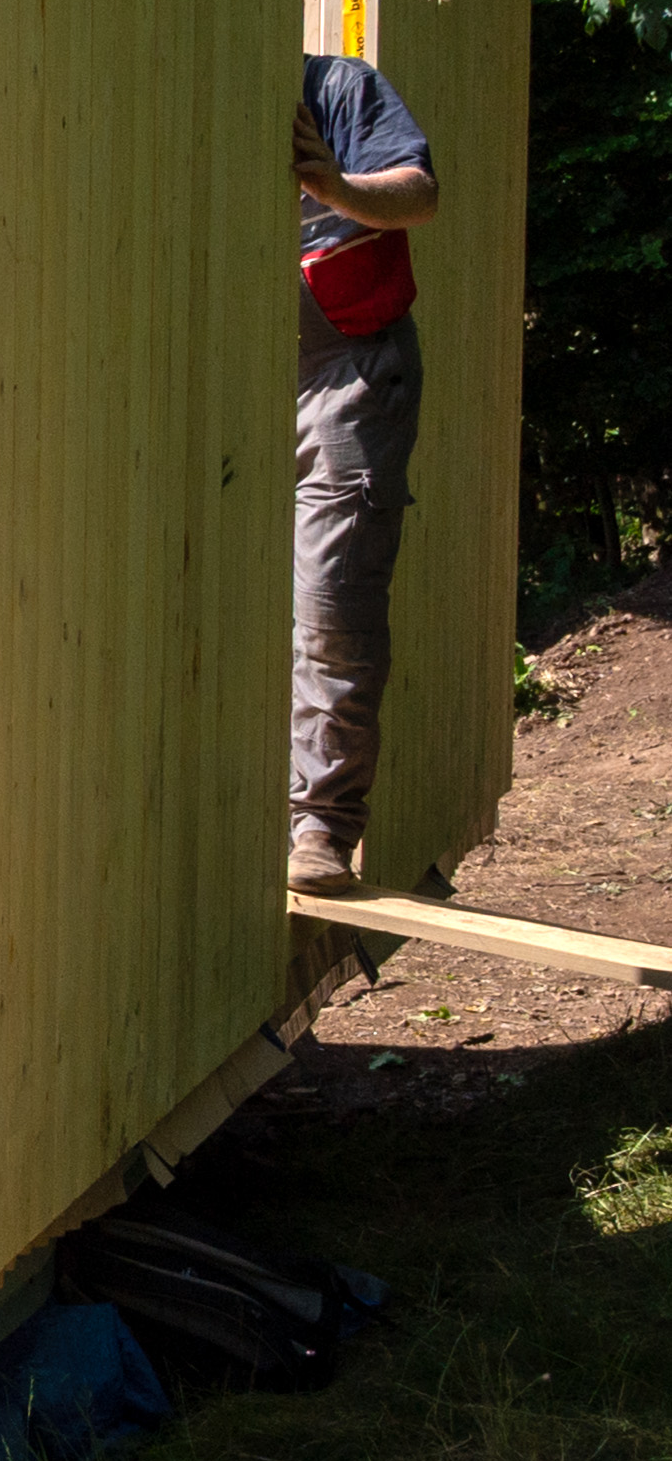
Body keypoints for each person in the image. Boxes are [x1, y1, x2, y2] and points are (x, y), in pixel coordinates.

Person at [292, 56, 441, 893]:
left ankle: (319, 825)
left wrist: (334, 185)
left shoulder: (338, 90)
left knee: (330, 606)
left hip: (349, 373)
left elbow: (418, 194)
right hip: (238, 375)